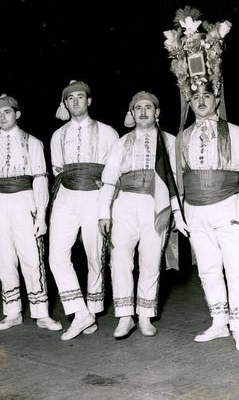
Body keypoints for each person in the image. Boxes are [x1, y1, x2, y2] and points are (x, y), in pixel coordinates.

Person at [164, 7, 239, 353]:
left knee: (235, 268)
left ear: (216, 98)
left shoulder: (234, 131)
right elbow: (176, 176)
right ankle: (219, 322)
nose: (201, 102)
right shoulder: (182, 136)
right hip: (196, 211)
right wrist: (178, 212)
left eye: (206, 97)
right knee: (207, 269)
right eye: (195, 98)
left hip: (228, 207)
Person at [98, 91, 188, 339]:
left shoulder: (170, 141)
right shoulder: (121, 142)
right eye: (138, 108)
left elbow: (178, 180)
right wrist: (103, 213)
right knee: (120, 260)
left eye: (149, 107)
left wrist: (176, 211)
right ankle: (125, 316)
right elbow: (108, 180)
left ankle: (146, 316)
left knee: (150, 260)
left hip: (156, 205)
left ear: (157, 113)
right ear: (132, 113)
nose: (144, 112)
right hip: (125, 205)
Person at [0, 94, 62, 332]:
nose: (3, 117)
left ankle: (41, 312)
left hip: (25, 203)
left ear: (17, 114)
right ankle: (12, 312)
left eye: (7, 112)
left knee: (32, 258)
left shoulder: (33, 142)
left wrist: (42, 215)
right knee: (5, 259)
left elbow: (40, 179)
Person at [49, 80, 119, 340]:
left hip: (96, 197)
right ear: (65, 104)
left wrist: (107, 191)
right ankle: (79, 311)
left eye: (80, 97)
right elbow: (58, 169)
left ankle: (92, 311)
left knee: (95, 256)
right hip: (66, 196)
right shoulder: (58, 135)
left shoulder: (108, 132)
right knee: (56, 255)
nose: (75, 102)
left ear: (89, 101)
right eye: (70, 98)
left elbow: (115, 170)